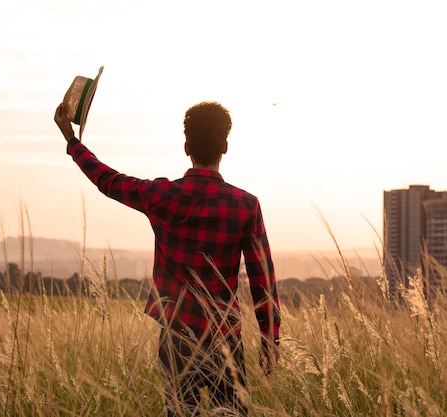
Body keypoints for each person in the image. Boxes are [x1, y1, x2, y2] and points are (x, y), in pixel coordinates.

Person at [54, 100, 280, 416]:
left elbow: (108, 180)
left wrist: (72, 140)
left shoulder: (161, 196)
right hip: (224, 339)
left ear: (186, 146)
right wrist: (271, 339)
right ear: (225, 147)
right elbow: (262, 279)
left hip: (176, 337)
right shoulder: (245, 205)